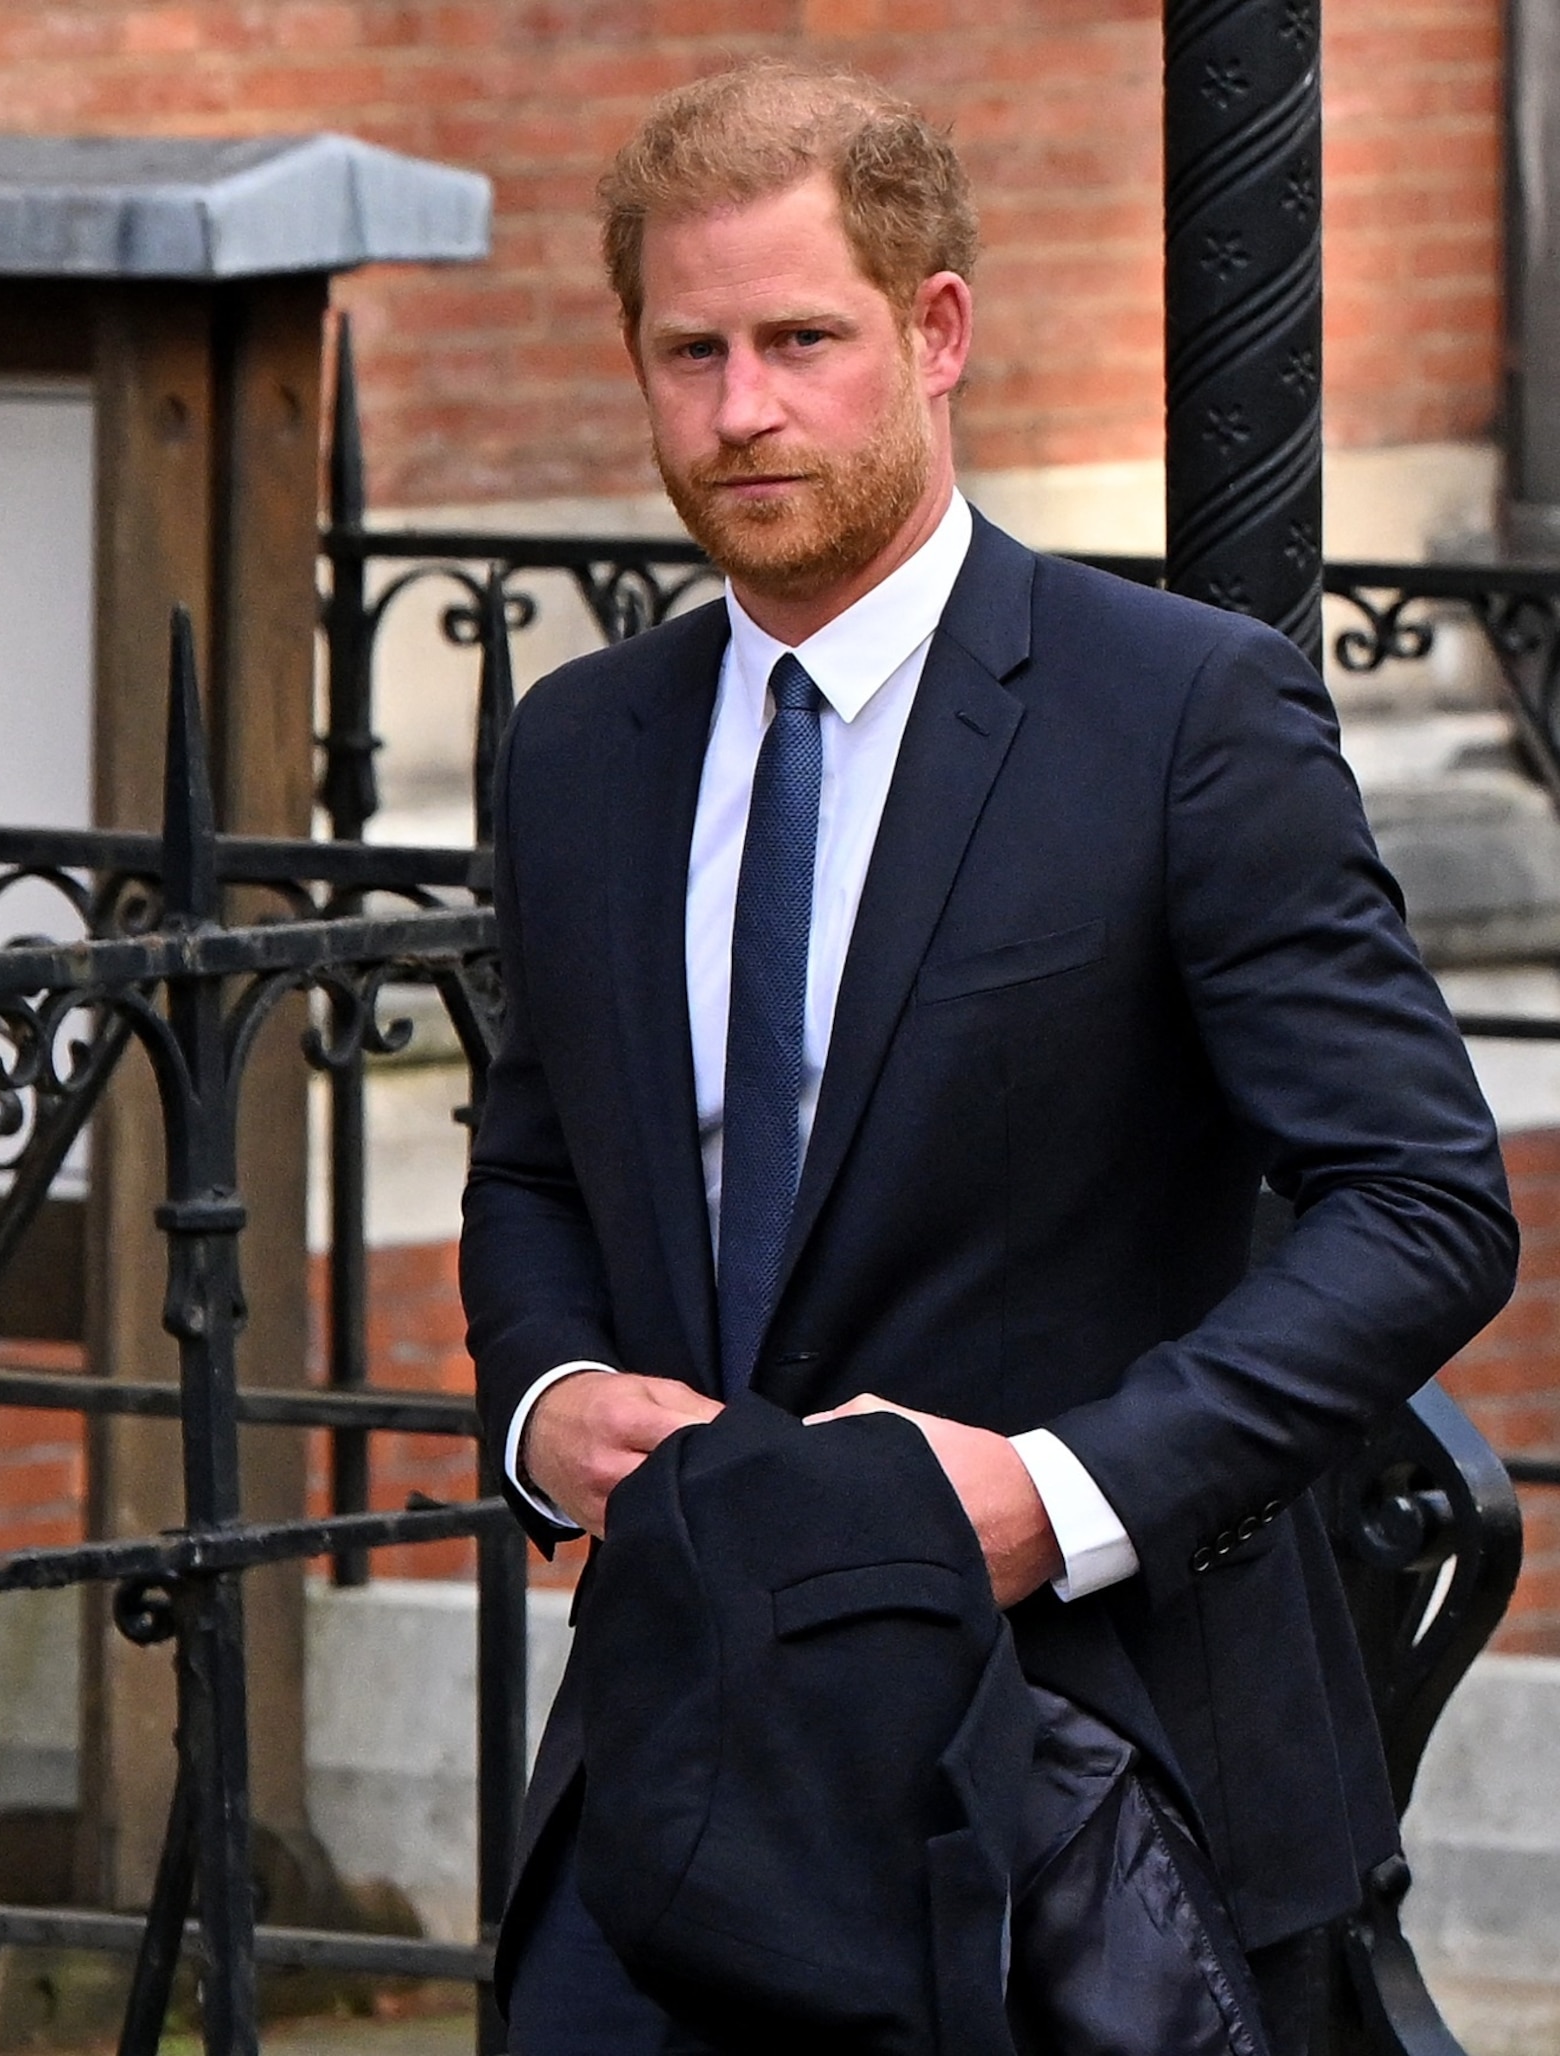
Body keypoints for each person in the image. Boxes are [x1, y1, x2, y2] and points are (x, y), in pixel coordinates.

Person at [460, 60, 1518, 2056]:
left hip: (1079, 1778)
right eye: (690, 351)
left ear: (935, 333)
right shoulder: (581, 748)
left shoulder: (1180, 715)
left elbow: (1425, 1203)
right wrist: (549, 1397)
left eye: (802, 339)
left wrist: (1064, 1488)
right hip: (678, 1764)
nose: (744, 408)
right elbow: (533, 1163)